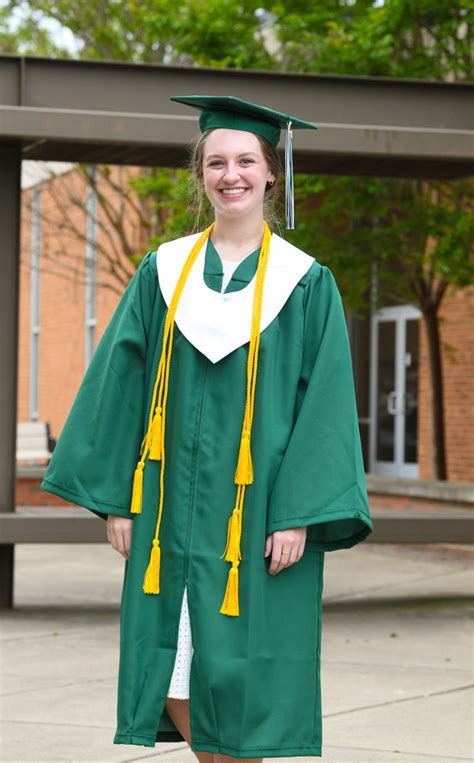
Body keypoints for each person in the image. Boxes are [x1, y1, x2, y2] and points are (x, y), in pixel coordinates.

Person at [41, 95, 373, 760]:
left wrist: (299, 512)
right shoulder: (163, 272)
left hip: (258, 513)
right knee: (170, 667)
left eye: (246, 160)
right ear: (200, 175)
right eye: (216, 162)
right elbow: (120, 382)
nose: (232, 174)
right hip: (167, 508)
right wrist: (117, 495)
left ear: (271, 173)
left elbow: (327, 406)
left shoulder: (305, 283)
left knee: (246, 668)